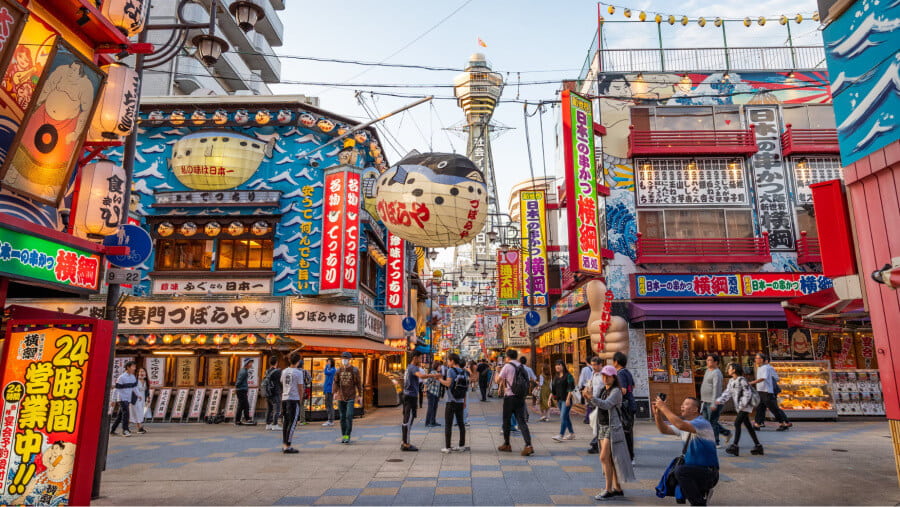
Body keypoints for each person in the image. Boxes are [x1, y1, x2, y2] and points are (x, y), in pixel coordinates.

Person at [653, 396, 720, 506]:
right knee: (676, 472)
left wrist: (663, 408)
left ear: (695, 409)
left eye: (686, 404)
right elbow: (664, 429)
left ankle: (699, 503)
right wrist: (657, 415)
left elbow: (680, 424)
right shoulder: (687, 424)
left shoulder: (702, 423)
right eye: (682, 404)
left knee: (681, 471)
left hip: (709, 473)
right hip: (694, 470)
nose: (682, 406)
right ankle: (701, 492)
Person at [583, 365, 635, 500]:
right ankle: (617, 488)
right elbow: (596, 404)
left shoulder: (616, 391)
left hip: (612, 427)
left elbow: (606, 404)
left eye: (608, 376)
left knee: (603, 457)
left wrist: (591, 398)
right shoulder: (603, 389)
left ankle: (608, 489)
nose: (605, 378)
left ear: (614, 377)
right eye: (603, 375)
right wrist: (588, 397)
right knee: (609, 459)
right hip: (602, 426)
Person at [715, 363, 763, 457]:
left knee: (737, 423)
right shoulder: (731, 381)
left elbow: (747, 393)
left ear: (734, 370)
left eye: (730, 368)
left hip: (745, 406)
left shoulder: (742, 380)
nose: (728, 370)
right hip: (740, 407)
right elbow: (727, 393)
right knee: (748, 426)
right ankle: (758, 446)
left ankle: (735, 446)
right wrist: (719, 401)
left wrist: (742, 405)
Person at [496, 349, 534, 456]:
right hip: (520, 397)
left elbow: (497, 380)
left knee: (506, 421)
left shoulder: (507, 366)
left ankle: (507, 444)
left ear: (508, 357)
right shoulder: (521, 366)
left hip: (510, 397)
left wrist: (497, 371)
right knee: (521, 421)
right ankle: (528, 445)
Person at [401, 351, 439, 451]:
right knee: (408, 419)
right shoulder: (414, 368)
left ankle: (404, 441)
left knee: (407, 419)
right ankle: (406, 444)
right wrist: (433, 375)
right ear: (415, 358)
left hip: (407, 395)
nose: (421, 360)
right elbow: (421, 376)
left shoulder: (409, 367)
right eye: (420, 357)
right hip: (410, 396)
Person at [750, 353, 791, 431]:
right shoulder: (760, 367)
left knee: (773, 408)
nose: (755, 360)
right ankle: (757, 424)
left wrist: (752, 382)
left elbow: (763, 378)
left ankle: (783, 423)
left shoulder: (765, 368)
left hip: (767, 391)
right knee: (760, 408)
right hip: (761, 390)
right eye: (755, 358)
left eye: (757, 358)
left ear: (761, 360)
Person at [439, 353, 469, 453]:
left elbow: (448, 383)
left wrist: (439, 379)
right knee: (461, 423)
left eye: (448, 360)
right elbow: (465, 388)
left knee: (448, 424)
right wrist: (464, 402)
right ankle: (461, 445)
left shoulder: (450, 370)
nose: (447, 362)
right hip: (460, 401)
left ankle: (448, 447)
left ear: (452, 361)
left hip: (451, 401)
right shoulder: (464, 372)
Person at [699, 354, 731, 447]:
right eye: (707, 360)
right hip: (705, 400)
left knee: (712, 422)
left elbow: (717, 389)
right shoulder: (707, 370)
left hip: (713, 401)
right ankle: (726, 433)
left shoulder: (717, 373)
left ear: (716, 362)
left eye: (710, 360)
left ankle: (715, 442)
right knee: (707, 422)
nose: (707, 362)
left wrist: (714, 403)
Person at [333, 351, 362, 444]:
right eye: (343, 359)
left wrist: (360, 395)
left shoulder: (354, 370)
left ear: (350, 360)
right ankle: (344, 435)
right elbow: (335, 382)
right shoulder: (338, 370)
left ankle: (347, 435)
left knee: (349, 416)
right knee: (342, 417)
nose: (344, 360)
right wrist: (335, 392)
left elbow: (358, 383)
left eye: (346, 359)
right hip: (341, 396)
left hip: (351, 396)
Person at [613, 352, 636, 463]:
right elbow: (633, 386)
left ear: (616, 362)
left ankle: (629, 457)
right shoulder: (627, 372)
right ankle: (628, 456)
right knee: (628, 431)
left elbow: (623, 390)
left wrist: (613, 393)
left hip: (625, 407)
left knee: (625, 432)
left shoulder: (620, 374)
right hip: (630, 404)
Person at [280, 353, 303, 454]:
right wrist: (300, 400)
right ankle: (287, 446)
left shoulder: (284, 371)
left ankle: (284, 444)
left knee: (286, 422)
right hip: (294, 398)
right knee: (292, 423)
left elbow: (282, 382)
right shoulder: (298, 373)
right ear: (298, 361)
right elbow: (300, 388)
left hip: (284, 398)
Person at [111, 361, 138, 437]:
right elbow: (116, 389)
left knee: (120, 415)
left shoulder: (132, 377)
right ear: (128, 367)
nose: (134, 368)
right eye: (133, 367)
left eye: (135, 367)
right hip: (122, 398)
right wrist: (113, 400)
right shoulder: (121, 377)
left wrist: (139, 395)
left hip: (128, 398)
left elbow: (134, 387)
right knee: (126, 413)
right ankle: (125, 430)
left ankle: (112, 430)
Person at [551, 360, 576, 442]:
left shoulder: (568, 376)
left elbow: (571, 388)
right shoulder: (556, 377)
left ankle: (561, 435)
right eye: (556, 365)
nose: (557, 366)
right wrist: (550, 399)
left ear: (563, 366)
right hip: (559, 400)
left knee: (563, 417)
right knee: (566, 417)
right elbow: (553, 388)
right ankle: (572, 434)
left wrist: (568, 399)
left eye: (559, 365)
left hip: (566, 400)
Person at [585, 357, 604, 454]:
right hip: (593, 401)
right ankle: (597, 443)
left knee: (597, 424)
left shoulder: (604, 375)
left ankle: (596, 444)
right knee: (594, 422)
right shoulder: (593, 374)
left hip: (601, 401)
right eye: (592, 365)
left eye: (595, 365)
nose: (594, 367)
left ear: (600, 364)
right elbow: (590, 385)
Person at [263, 355, 283, 431]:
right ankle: (275, 424)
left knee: (269, 409)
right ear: (276, 363)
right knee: (277, 409)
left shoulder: (266, 371)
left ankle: (268, 424)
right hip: (275, 391)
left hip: (268, 392)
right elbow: (281, 381)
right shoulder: (278, 372)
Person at [234, 358, 256, 425]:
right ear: (247, 363)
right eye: (250, 363)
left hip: (241, 390)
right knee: (244, 405)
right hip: (241, 390)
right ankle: (246, 419)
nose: (251, 364)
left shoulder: (244, 370)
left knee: (242, 405)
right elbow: (239, 381)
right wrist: (237, 387)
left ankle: (239, 420)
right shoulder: (243, 372)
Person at [129, 367, 149, 435]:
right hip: (135, 400)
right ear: (137, 373)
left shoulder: (146, 381)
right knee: (136, 413)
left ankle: (126, 427)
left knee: (138, 413)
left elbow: (147, 390)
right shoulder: (135, 381)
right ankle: (140, 428)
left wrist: (148, 397)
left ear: (145, 373)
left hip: (142, 399)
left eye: (143, 371)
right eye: (140, 371)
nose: (141, 373)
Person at [424, 359, 443, 427]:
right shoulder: (432, 373)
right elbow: (426, 382)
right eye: (439, 366)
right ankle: (427, 422)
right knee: (430, 408)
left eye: (440, 366)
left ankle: (433, 421)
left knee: (435, 407)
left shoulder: (438, 373)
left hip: (436, 393)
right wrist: (425, 390)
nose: (440, 367)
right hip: (431, 392)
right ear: (436, 366)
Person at [322, 358, 337, 427]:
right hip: (327, 389)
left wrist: (326, 366)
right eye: (327, 362)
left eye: (328, 362)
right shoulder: (331, 369)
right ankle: (330, 420)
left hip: (329, 389)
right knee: (328, 404)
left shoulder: (333, 370)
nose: (327, 363)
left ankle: (330, 420)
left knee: (329, 405)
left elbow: (325, 372)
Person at [297, 359, 311, 425]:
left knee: (294, 405)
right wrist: (306, 383)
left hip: (295, 390)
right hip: (303, 390)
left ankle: (293, 419)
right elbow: (310, 379)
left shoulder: (295, 371)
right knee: (302, 405)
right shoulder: (305, 371)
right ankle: (302, 420)